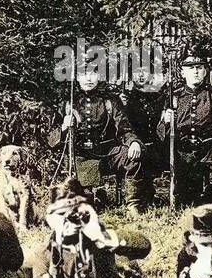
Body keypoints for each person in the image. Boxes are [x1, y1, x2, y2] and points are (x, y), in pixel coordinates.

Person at [29, 178, 153, 278]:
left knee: (125, 264)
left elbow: (144, 246)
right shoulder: (45, 254)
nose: (69, 220)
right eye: (61, 214)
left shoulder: (98, 239)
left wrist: (102, 237)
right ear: (50, 219)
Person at [51, 64, 151, 213]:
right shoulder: (67, 104)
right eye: (84, 74)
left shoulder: (110, 101)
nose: (89, 78)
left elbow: (124, 128)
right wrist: (64, 127)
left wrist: (134, 142)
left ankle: (133, 206)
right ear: (77, 78)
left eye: (93, 74)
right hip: (80, 156)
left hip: (108, 153)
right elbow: (51, 140)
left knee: (131, 158)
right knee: (85, 205)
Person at [158, 43, 212, 207]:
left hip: (209, 150)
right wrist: (166, 122)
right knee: (186, 202)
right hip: (182, 152)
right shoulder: (173, 97)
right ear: (183, 72)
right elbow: (161, 133)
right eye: (190, 68)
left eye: (199, 67)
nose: (195, 71)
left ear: (205, 70)